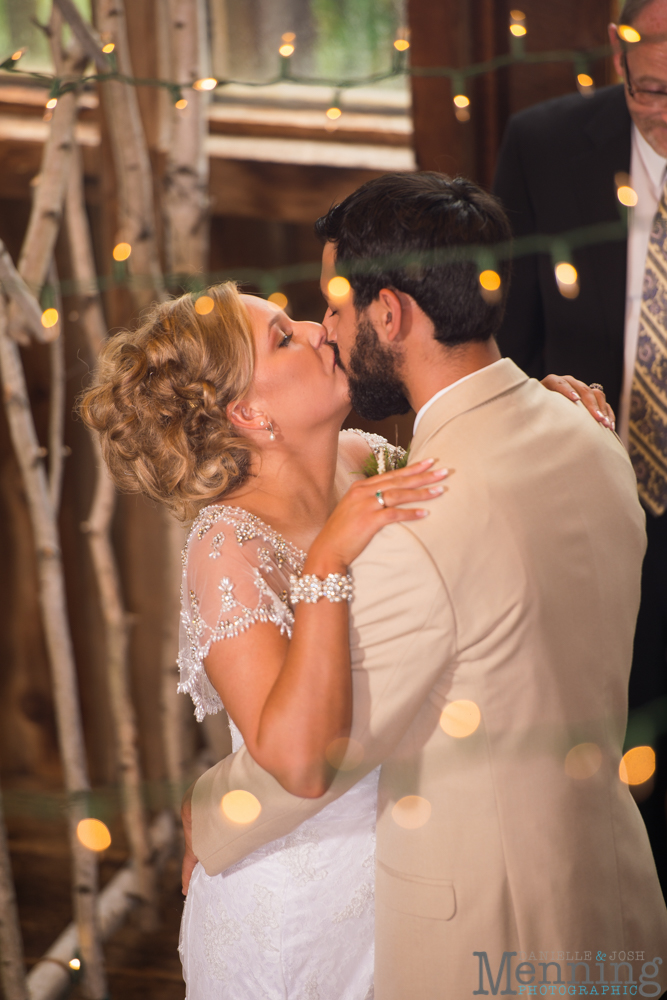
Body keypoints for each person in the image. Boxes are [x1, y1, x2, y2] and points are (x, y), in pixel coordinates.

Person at [78, 194, 619, 998]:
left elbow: (474, 522)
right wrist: (326, 560)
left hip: (418, 867)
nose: (320, 330)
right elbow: (293, 759)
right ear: (248, 413)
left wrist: (539, 421)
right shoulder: (224, 546)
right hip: (297, 888)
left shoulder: (367, 458)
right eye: (284, 336)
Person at [493, 0, 667, 890]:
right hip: (589, 510)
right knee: (604, 760)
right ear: (615, 48)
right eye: (650, 91)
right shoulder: (544, 146)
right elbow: (509, 342)